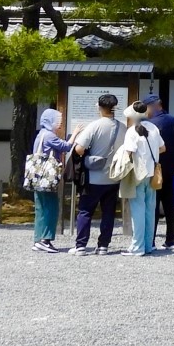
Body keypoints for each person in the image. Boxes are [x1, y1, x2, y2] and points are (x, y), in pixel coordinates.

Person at [69, 94, 124, 255]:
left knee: (85, 211)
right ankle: (103, 246)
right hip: (113, 177)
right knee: (108, 212)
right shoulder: (123, 128)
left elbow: (79, 149)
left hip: (93, 177)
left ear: (99, 107)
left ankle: (80, 245)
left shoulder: (95, 126)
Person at [119, 101, 163, 257]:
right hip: (152, 174)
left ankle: (137, 246)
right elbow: (162, 148)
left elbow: (129, 152)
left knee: (137, 211)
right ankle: (148, 245)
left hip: (138, 174)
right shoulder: (154, 128)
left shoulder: (131, 131)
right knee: (150, 210)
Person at [143, 93, 174, 249]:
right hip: (171, 168)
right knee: (170, 204)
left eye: (146, 107)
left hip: (156, 169)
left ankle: (151, 240)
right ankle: (171, 239)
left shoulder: (151, 124)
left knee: (153, 204)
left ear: (153, 106)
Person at [24, 109, 70, 253]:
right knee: (51, 208)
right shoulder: (49, 135)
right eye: (58, 120)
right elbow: (66, 147)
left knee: (40, 209)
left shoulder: (41, 135)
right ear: (51, 120)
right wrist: (75, 134)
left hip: (37, 178)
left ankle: (38, 240)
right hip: (47, 179)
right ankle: (45, 240)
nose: (60, 123)